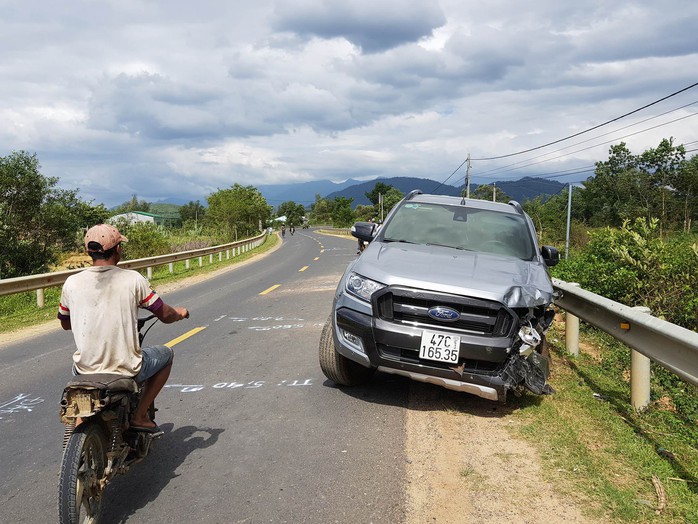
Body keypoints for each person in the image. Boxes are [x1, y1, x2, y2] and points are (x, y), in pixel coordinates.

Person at [57, 224, 189, 432]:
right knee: (166, 355)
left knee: (78, 366)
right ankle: (139, 415)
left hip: (84, 369)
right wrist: (180, 313)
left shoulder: (71, 283)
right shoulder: (133, 279)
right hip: (125, 367)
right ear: (118, 249)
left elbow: (65, 323)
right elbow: (165, 314)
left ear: (88, 251)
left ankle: (82, 420)